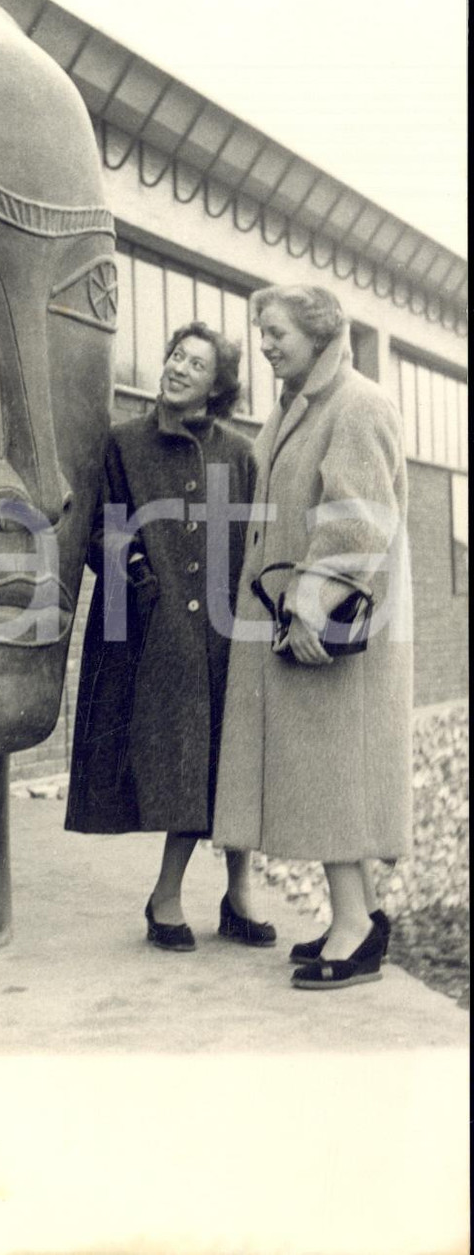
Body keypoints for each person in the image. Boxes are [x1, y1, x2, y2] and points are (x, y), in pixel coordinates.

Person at [214, 285, 412, 989]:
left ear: (318, 331)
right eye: (260, 332)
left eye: (276, 332)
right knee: (330, 775)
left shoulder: (358, 403)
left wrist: (309, 603)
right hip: (302, 619)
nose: (264, 343)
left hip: (332, 628)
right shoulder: (302, 405)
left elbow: (358, 519)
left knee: (333, 776)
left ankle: (356, 931)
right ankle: (356, 917)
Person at [66, 321, 276, 951]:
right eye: (176, 356)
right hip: (153, 632)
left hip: (228, 630)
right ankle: (166, 897)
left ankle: (239, 897)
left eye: (197, 365)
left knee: (236, 758)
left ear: (218, 388)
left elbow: (258, 537)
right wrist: (134, 569)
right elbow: (98, 526)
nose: (179, 368)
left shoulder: (239, 454)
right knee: (185, 762)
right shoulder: (123, 443)